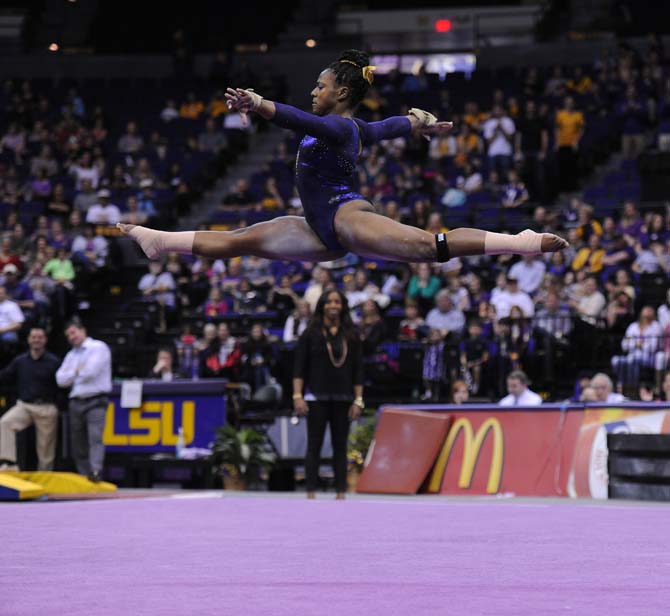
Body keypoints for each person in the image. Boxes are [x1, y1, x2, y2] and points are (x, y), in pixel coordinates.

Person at [119, 49, 567, 265]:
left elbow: (297, 119)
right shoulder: (357, 129)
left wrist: (258, 105)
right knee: (241, 239)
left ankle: (520, 241)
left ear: (343, 92)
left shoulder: (336, 126)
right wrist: (419, 120)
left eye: (320, 85)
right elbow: (388, 127)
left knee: (429, 246)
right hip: (319, 228)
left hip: (344, 216)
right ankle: (159, 239)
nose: (314, 91)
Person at [292, 289, 363, 500]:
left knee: (340, 446)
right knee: (314, 445)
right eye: (329, 301)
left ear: (343, 306)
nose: (333, 305)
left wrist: (359, 400)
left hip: (344, 397)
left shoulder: (351, 334)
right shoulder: (310, 333)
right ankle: (311, 492)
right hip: (316, 397)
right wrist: (297, 396)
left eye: (337, 302)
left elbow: (358, 369)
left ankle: (341, 492)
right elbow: (299, 367)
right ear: (322, 305)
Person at [55, 318, 112, 481]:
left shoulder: (98, 347)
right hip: (76, 401)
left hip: (96, 399)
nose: (71, 337)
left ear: (82, 330)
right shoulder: (71, 354)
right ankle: (83, 474)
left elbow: (90, 372)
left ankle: (95, 472)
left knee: (95, 437)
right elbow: (60, 379)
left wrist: (71, 373)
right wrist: (77, 371)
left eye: (73, 333)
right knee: (78, 441)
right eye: (68, 336)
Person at [0, 328, 61, 471]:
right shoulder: (20, 361)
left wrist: (57, 406)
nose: (36, 340)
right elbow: (5, 376)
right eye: (33, 337)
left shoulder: (54, 362)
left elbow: (63, 384)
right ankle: (8, 464)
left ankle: (44, 475)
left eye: (40, 337)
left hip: (46, 407)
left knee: (45, 445)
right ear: (28, 340)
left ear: (45, 340)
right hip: (25, 406)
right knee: (5, 423)